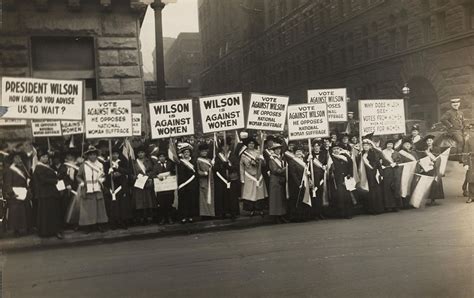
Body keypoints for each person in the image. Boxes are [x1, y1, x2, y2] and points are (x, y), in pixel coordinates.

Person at [76, 146, 108, 233]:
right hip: (88, 189)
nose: (92, 157)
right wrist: (82, 183)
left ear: (97, 155)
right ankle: (88, 226)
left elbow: (103, 176)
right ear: (88, 156)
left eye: (94, 155)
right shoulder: (83, 165)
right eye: (91, 155)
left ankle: (99, 225)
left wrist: (101, 180)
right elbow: (78, 176)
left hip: (97, 189)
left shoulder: (100, 165)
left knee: (99, 208)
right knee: (88, 209)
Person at [33, 148, 63, 239]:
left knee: (53, 213)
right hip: (45, 193)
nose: (45, 158)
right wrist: (55, 180)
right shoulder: (39, 167)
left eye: (46, 157)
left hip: (51, 193)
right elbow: (43, 180)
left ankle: (54, 230)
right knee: (46, 213)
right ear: (39, 158)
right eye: (43, 157)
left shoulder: (48, 167)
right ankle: (46, 232)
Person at [2, 151, 32, 236]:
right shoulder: (9, 170)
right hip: (15, 193)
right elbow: (7, 183)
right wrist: (11, 193)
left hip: (24, 192)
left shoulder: (23, 168)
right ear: (13, 160)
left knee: (26, 211)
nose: (19, 159)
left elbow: (26, 179)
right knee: (16, 213)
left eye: (19, 158)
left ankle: (26, 228)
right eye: (16, 158)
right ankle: (16, 231)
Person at [104, 146, 133, 229]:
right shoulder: (106, 163)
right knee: (113, 205)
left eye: (116, 154)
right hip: (112, 186)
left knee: (123, 205)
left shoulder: (122, 162)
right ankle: (114, 222)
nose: (115, 155)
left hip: (122, 185)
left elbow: (128, 171)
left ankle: (123, 222)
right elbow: (104, 175)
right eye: (113, 154)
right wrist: (110, 175)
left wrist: (119, 170)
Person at [240, 137, 267, 217]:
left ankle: (260, 209)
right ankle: (251, 210)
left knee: (259, 193)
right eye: (249, 143)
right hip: (249, 175)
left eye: (252, 143)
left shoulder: (258, 152)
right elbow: (241, 167)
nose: (251, 145)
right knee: (250, 193)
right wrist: (242, 178)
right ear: (247, 145)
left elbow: (264, 164)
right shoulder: (244, 154)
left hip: (258, 175)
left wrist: (261, 160)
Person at [214, 137, 239, 219]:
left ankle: (233, 212)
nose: (225, 148)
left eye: (227, 146)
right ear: (221, 147)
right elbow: (215, 168)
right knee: (223, 196)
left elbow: (236, 166)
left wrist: (229, 166)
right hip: (222, 179)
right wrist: (222, 166)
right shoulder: (218, 156)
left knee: (232, 197)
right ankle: (223, 212)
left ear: (229, 147)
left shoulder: (233, 155)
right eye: (224, 146)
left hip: (231, 178)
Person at [132, 145, 157, 225]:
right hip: (139, 184)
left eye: (142, 152)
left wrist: (149, 177)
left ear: (145, 153)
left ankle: (149, 217)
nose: (141, 154)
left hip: (147, 183)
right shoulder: (134, 163)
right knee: (139, 201)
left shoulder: (148, 161)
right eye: (139, 153)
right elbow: (132, 173)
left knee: (148, 200)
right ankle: (141, 218)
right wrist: (136, 177)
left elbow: (153, 171)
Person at [328, 145, 354, 219]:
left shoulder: (344, 157)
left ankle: (349, 213)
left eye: (338, 149)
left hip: (346, 179)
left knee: (347, 196)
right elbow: (329, 169)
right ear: (332, 150)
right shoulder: (331, 158)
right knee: (339, 196)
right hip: (337, 180)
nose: (336, 150)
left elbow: (350, 164)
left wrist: (349, 174)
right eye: (334, 149)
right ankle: (341, 214)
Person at [360, 140, 385, 215]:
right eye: (364, 145)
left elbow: (378, 164)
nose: (365, 147)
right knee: (367, 191)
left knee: (375, 191)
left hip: (373, 174)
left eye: (367, 145)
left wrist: (381, 173)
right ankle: (369, 209)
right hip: (365, 174)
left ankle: (377, 209)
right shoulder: (361, 154)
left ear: (370, 146)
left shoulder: (374, 153)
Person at [419, 135, 445, 205]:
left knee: (434, 183)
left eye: (430, 140)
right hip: (427, 169)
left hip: (434, 168)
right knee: (427, 183)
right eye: (428, 141)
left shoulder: (436, 149)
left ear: (432, 141)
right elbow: (422, 158)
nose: (429, 142)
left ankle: (433, 199)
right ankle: (428, 198)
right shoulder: (424, 149)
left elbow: (439, 158)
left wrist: (434, 163)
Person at [177, 144, 199, 223]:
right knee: (183, 201)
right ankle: (183, 216)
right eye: (185, 152)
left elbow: (196, 172)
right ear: (182, 154)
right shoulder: (180, 163)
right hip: (183, 184)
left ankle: (190, 216)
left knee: (191, 201)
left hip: (192, 184)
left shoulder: (193, 161)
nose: (186, 153)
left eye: (188, 152)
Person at [268, 142, 288, 223]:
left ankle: (281, 215)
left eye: (279, 149)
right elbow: (275, 170)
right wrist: (285, 169)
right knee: (275, 199)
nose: (278, 151)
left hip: (280, 180)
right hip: (275, 180)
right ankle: (276, 217)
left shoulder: (281, 158)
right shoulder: (272, 159)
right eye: (276, 149)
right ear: (274, 150)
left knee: (281, 199)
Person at [154, 151, 176, 225]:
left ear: (165, 157)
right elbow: (153, 174)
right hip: (160, 188)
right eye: (160, 157)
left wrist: (170, 174)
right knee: (162, 203)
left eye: (163, 156)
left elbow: (174, 173)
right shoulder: (156, 165)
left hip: (169, 187)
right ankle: (163, 218)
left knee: (169, 203)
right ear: (158, 158)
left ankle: (170, 218)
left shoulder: (170, 164)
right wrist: (157, 176)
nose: (162, 158)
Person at [381, 140, 402, 212]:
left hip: (395, 171)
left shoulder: (396, 153)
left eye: (391, 144)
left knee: (395, 187)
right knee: (387, 188)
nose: (389, 145)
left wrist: (395, 163)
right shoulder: (382, 152)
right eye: (388, 144)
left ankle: (396, 206)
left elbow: (400, 161)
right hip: (386, 171)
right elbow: (380, 161)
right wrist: (382, 166)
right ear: (386, 145)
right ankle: (388, 206)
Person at [197, 143, 215, 218]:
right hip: (203, 181)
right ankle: (204, 214)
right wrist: (204, 173)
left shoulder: (209, 160)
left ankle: (210, 213)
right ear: (200, 152)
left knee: (210, 197)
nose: (204, 153)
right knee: (203, 198)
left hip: (210, 181)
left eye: (205, 151)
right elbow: (197, 171)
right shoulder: (198, 160)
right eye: (202, 151)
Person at [310, 140, 327, 220]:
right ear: (313, 147)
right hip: (314, 178)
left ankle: (321, 213)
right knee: (314, 196)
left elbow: (326, 164)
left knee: (321, 196)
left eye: (318, 146)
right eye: (315, 146)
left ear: (320, 147)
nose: (316, 147)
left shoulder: (324, 154)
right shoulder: (309, 156)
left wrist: (325, 167)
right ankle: (315, 214)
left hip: (322, 178)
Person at [463, 124, 474, 203]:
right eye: (472, 130)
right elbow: (465, 152)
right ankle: (471, 196)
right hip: (471, 161)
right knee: (470, 179)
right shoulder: (469, 141)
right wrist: (465, 163)